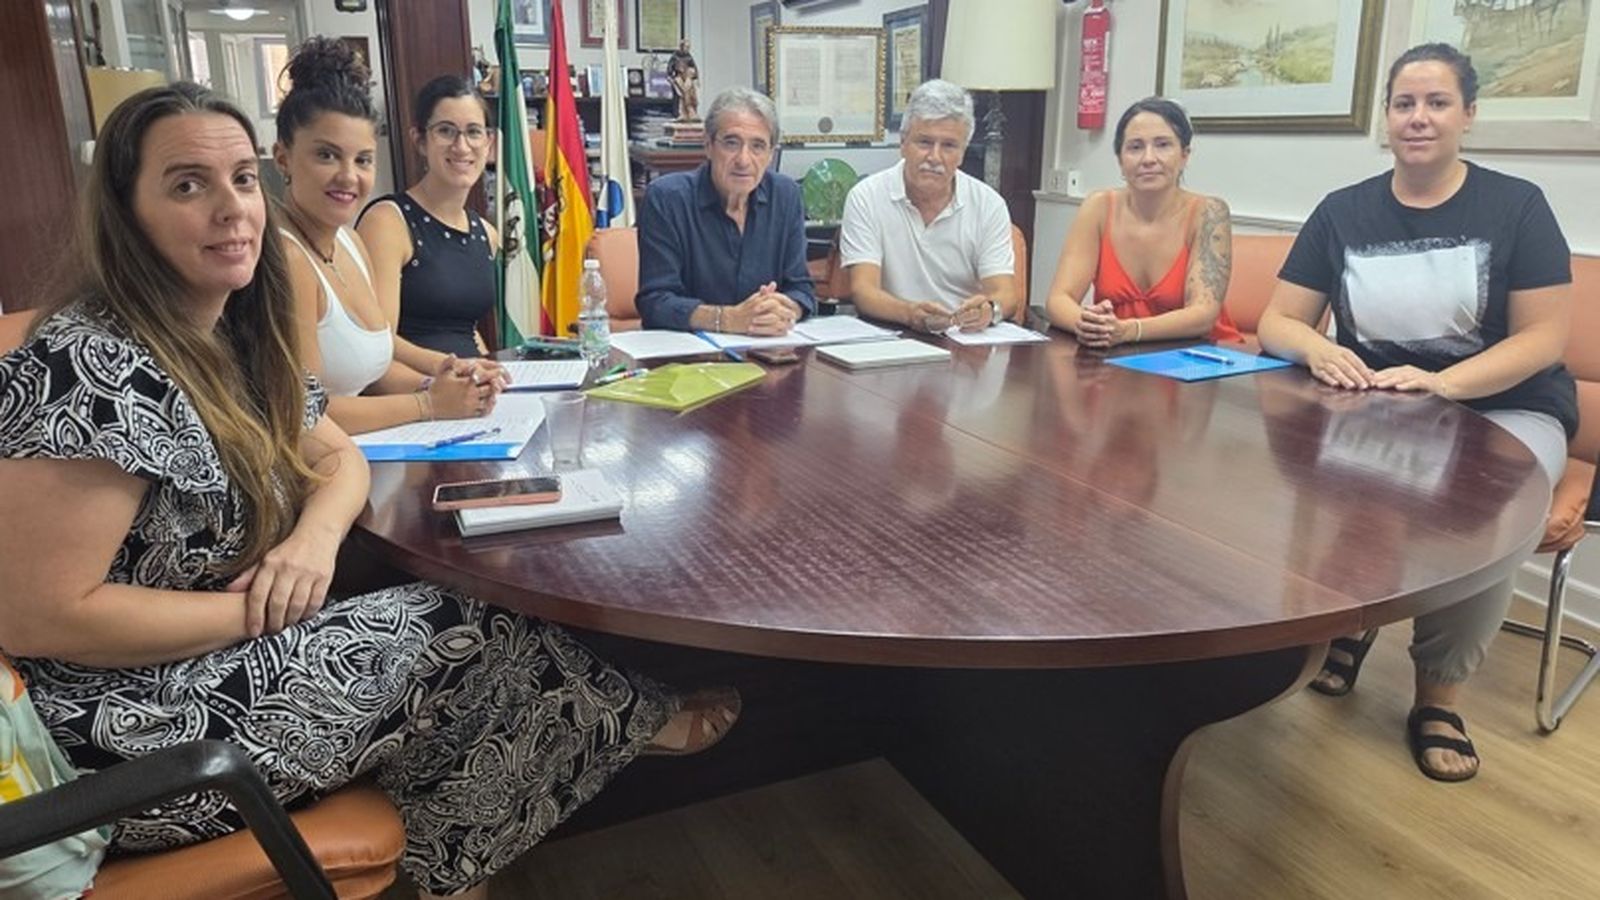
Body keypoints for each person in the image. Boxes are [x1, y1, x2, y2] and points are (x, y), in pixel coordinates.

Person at [0, 81, 739, 900]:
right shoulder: (88, 364)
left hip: (208, 658)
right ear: (127, 214)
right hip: (113, 732)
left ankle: (451, 870)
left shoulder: (227, 332)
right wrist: (273, 609)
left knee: (475, 613)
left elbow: (337, 457)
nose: (232, 208)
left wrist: (313, 543)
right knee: (467, 626)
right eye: (187, 185)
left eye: (243, 180)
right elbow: (44, 614)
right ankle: (625, 729)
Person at [1257, 43, 1575, 783]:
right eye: (1404, 103)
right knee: (1312, 471)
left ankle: (1439, 694)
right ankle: (1354, 623)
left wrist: (1445, 385)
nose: (1419, 117)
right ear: (1387, 118)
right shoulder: (1343, 211)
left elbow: (1543, 339)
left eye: (1436, 103)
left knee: (1488, 515)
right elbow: (1279, 320)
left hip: (1506, 407)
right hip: (1380, 403)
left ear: (1468, 115)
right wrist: (1316, 349)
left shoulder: (1517, 204)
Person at [273, 38, 501, 436]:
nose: (348, 176)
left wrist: (450, 377)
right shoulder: (287, 258)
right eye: (326, 155)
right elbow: (302, 416)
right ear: (282, 159)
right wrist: (428, 402)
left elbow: (380, 353)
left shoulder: (348, 242)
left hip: (389, 440)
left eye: (362, 160)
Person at [1044, 97, 1242, 346]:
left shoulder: (1210, 212)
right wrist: (1088, 325)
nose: (1148, 158)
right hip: (1118, 356)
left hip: (1201, 360)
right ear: (1120, 160)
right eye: (1135, 147)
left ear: (1184, 156)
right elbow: (1059, 299)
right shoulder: (1098, 207)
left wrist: (1129, 331)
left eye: (1162, 145)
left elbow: (1203, 315)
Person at [838, 79, 1018, 334]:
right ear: (903, 143)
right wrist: (910, 314)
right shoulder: (866, 197)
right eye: (924, 142)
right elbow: (864, 291)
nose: (934, 157)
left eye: (949, 146)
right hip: (893, 334)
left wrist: (990, 309)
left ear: (963, 152)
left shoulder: (988, 204)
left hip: (964, 343)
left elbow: (1006, 294)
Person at [635, 87, 815, 334]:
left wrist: (783, 309)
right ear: (708, 145)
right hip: (688, 359)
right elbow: (655, 302)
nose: (743, 159)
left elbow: (801, 288)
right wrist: (727, 319)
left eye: (757, 146)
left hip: (767, 348)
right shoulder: (667, 199)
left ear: (770, 155)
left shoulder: (786, 196)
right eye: (731, 143)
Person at [357, 75, 499, 363]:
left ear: (489, 142)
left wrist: (495, 372)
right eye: (446, 131)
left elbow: (465, 329)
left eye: (473, 132)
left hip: (473, 394)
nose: (461, 146)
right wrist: (458, 372)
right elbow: (379, 344)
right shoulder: (387, 222)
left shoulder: (486, 233)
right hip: (413, 394)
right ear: (419, 140)